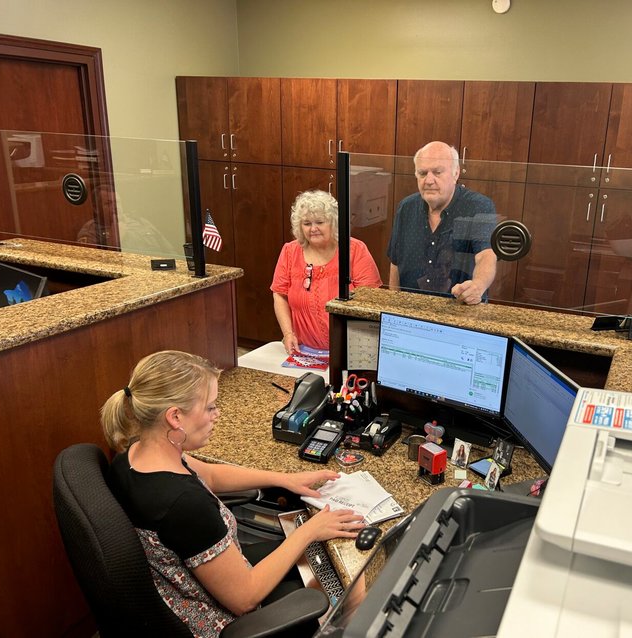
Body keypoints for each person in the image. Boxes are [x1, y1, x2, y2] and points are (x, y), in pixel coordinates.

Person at [102, 350, 366, 638]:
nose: (217, 415)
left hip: (201, 583)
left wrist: (285, 479)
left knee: (326, 560)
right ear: (175, 416)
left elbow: (212, 475)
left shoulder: (135, 454)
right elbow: (245, 598)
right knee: (356, 585)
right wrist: (311, 531)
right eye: (210, 407)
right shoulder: (184, 505)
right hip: (225, 619)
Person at [387, 141, 498, 305]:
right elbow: (395, 264)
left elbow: (487, 256)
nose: (429, 180)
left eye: (437, 172)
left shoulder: (478, 207)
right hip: (411, 312)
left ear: (456, 173)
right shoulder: (406, 207)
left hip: (458, 313)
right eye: (423, 173)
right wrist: (392, 306)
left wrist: (478, 286)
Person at [272, 190, 382, 354]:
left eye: (320, 222)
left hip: (351, 350)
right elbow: (279, 294)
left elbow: (370, 300)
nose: (313, 228)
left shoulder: (355, 250)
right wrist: (288, 333)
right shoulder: (290, 251)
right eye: (307, 223)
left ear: (333, 222)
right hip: (303, 349)